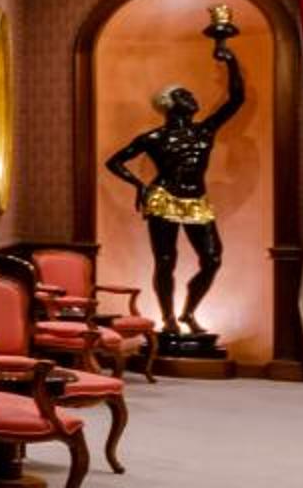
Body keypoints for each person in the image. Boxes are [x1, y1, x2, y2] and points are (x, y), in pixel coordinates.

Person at [103, 36, 245, 336]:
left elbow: (236, 99)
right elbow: (114, 162)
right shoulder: (154, 138)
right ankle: (168, 318)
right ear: (168, 104)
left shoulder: (205, 130)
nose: (191, 97)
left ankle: (189, 312)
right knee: (166, 261)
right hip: (164, 198)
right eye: (184, 94)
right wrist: (139, 185)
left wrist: (231, 61)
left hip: (197, 200)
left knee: (212, 259)